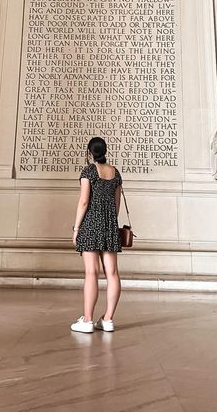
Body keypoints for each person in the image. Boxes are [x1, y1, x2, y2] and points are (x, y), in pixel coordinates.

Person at [70, 137, 122, 333]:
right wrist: (109, 223)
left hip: (91, 225)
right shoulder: (115, 173)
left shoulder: (89, 171)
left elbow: (84, 202)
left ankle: (88, 320)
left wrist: (76, 229)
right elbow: (116, 204)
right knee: (113, 273)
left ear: (90, 152)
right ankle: (108, 319)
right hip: (110, 226)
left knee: (91, 273)